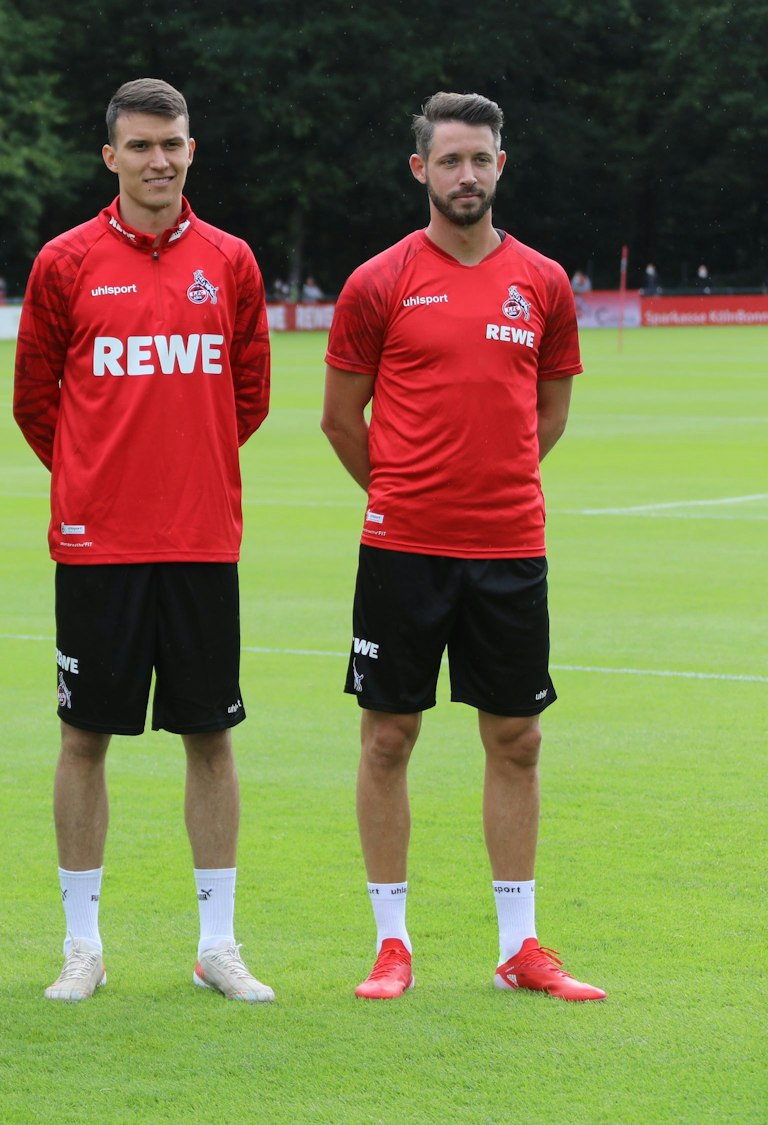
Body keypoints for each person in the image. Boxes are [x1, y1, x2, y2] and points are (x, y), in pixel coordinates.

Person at [320, 91, 604, 1003]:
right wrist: (407, 495)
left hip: (511, 546)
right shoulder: (379, 281)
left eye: (480, 158)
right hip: (403, 548)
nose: (467, 174)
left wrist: (491, 486)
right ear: (421, 170)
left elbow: (548, 413)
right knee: (388, 738)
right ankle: (391, 943)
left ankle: (519, 947)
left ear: (500, 165)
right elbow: (340, 418)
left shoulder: (543, 282)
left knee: (517, 738)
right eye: (450, 160)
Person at [12, 78, 274, 1005]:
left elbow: (248, 397)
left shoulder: (232, 261)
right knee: (85, 736)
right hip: (99, 546)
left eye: (172, 144)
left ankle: (217, 944)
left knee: (211, 735)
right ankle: (82, 945)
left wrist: (184, 466)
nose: (158, 160)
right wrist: (99, 477)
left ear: (191, 150)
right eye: (140, 145)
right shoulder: (65, 262)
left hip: (201, 540)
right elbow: (35, 401)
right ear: (110, 156)